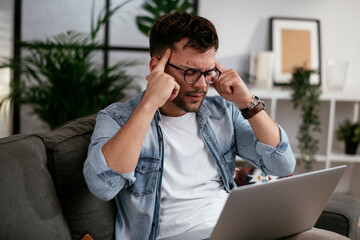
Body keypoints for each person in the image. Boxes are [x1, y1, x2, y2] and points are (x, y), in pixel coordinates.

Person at [83, 11, 348, 240]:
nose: (201, 84)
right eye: (190, 72)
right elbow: (103, 186)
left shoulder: (222, 113)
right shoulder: (117, 118)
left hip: (236, 230)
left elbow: (282, 165)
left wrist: (247, 101)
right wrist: (149, 104)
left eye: (208, 72)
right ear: (157, 67)